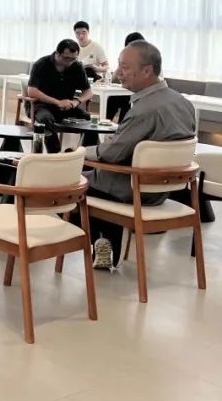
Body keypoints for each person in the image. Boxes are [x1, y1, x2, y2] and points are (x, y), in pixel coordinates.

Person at [80, 40, 196, 269]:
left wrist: (80, 152)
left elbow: (112, 155)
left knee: (67, 183)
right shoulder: (183, 103)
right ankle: (105, 241)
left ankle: (99, 239)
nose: (118, 73)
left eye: (124, 67)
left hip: (132, 189)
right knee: (99, 176)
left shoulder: (144, 111)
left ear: (147, 70)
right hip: (162, 190)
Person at [27, 40, 94, 153]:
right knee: (45, 119)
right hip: (42, 105)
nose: (70, 62)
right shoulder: (42, 64)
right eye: (66, 58)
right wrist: (57, 102)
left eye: (73, 59)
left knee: (91, 121)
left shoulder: (77, 66)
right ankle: (55, 154)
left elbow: (88, 92)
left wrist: (76, 102)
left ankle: (86, 152)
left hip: (66, 107)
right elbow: (32, 91)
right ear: (57, 54)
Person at [105, 32, 146, 122]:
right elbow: (116, 75)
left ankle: (123, 126)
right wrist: (108, 80)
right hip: (129, 92)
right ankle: (104, 124)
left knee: (129, 102)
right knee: (112, 99)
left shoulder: (148, 58)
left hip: (145, 94)